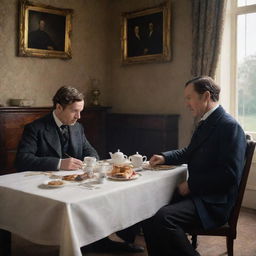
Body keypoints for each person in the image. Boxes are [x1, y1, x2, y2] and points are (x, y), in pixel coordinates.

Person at [15, 86, 144, 253]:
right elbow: (22, 160)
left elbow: (91, 152)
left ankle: (104, 240)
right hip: (48, 190)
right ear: (59, 107)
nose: (79, 116)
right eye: (75, 111)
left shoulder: (77, 127)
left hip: (77, 183)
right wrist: (60, 163)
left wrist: (88, 161)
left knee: (120, 193)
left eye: (81, 111)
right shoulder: (35, 128)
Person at [142, 76, 247, 256]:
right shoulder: (207, 121)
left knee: (164, 219)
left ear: (205, 96)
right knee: (147, 211)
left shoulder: (229, 126)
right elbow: (189, 152)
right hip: (201, 195)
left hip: (214, 203)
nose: (186, 103)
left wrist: (191, 185)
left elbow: (229, 176)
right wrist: (164, 157)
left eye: (189, 97)